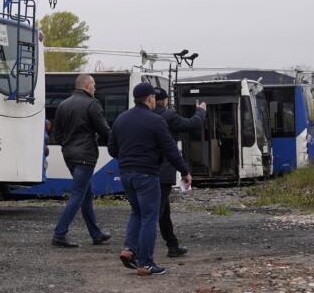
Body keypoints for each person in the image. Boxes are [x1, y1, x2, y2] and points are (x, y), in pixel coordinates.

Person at [107, 83, 190, 276]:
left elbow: (112, 149)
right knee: (149, 217)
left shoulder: (121, 119)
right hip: (147, 174)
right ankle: (146, 263)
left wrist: (128, 158)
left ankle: (128, 250)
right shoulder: (156, 120)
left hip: (126, 174)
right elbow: (170, 149)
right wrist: (184, 171)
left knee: (137, 212)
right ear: (150, 98)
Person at [50, 74, 112, 248]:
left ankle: (96, 234)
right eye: (94, 85)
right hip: (85, 155)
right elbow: (104, 130)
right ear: (86, 85)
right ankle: (59, 234)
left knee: (85, 194)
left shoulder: (63, 104)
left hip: (69, 155)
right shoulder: (92, 104)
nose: (95, 88)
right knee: (78, 194)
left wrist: (66, 146)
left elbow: (57, 133)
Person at [153, 87, 206, 258]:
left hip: (145, 170)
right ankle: (135, 249)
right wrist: (200, 111)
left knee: (163, 211)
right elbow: (191, 124)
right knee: (155, 213)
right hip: (163, 172)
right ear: (166, 100)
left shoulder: (146, 116)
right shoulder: (168, 116)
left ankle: (172, 245)